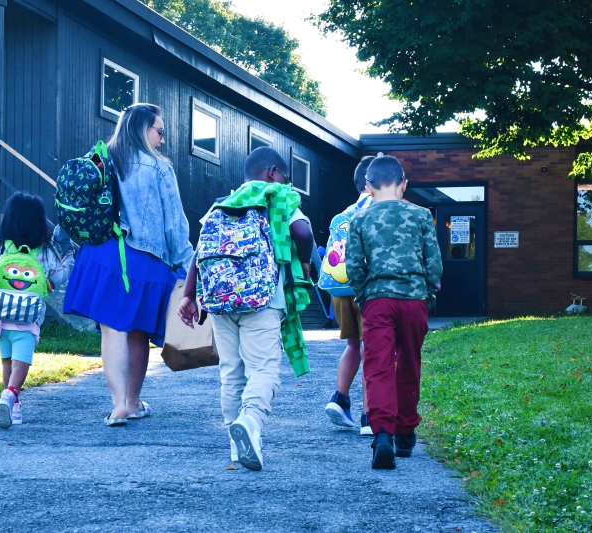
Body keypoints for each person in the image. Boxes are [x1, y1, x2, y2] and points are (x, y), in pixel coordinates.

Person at [178, 146, 314, 471]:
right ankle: (251, 421)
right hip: (262, 298)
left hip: (221, 301)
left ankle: (235, 444)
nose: (288, 183)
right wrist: (305, 262)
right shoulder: (276, 197)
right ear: (271, 172)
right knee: (264, 367)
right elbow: (303, 232)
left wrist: (188, 295)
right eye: (285, 176)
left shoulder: (220, 204)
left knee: (231, 371)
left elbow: (200, 251)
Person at [64, 103, 193, 426]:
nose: (162, 140)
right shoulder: (158, 167)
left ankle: (119, 403)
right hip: (145, 262)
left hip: (103, 256)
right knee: (138, 333)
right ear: (142, 128)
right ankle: (131, 402)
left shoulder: (103, 158)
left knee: (113, 330)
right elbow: (174, 225)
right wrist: (190, 265)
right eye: (159, 131)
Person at [345, 155, 442, 469]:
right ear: (404, 185)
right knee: (410, 363)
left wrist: (364, 297)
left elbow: (353, 267)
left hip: (378, 301)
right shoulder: (422, 215)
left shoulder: (359, 220)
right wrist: (427, 297)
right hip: (414, 300)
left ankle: (383, 433)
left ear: (369, 188)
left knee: (379, 367)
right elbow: (434, 264)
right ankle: (406, 431)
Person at [0, 192, 74, 429]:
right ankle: (9, 395)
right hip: (26, 320)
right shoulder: (44, 252)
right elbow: (60, 276)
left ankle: (13, 406)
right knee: (22, 363)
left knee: (7, 361)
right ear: (39, 222)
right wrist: (67, 256)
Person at [324, 156, 374, 435]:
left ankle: (340, 398)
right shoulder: (378, 212)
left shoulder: (342, 214)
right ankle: (370, 414)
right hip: (365, 289)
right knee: (374, 349)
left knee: (354, 345)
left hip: (340, 288)